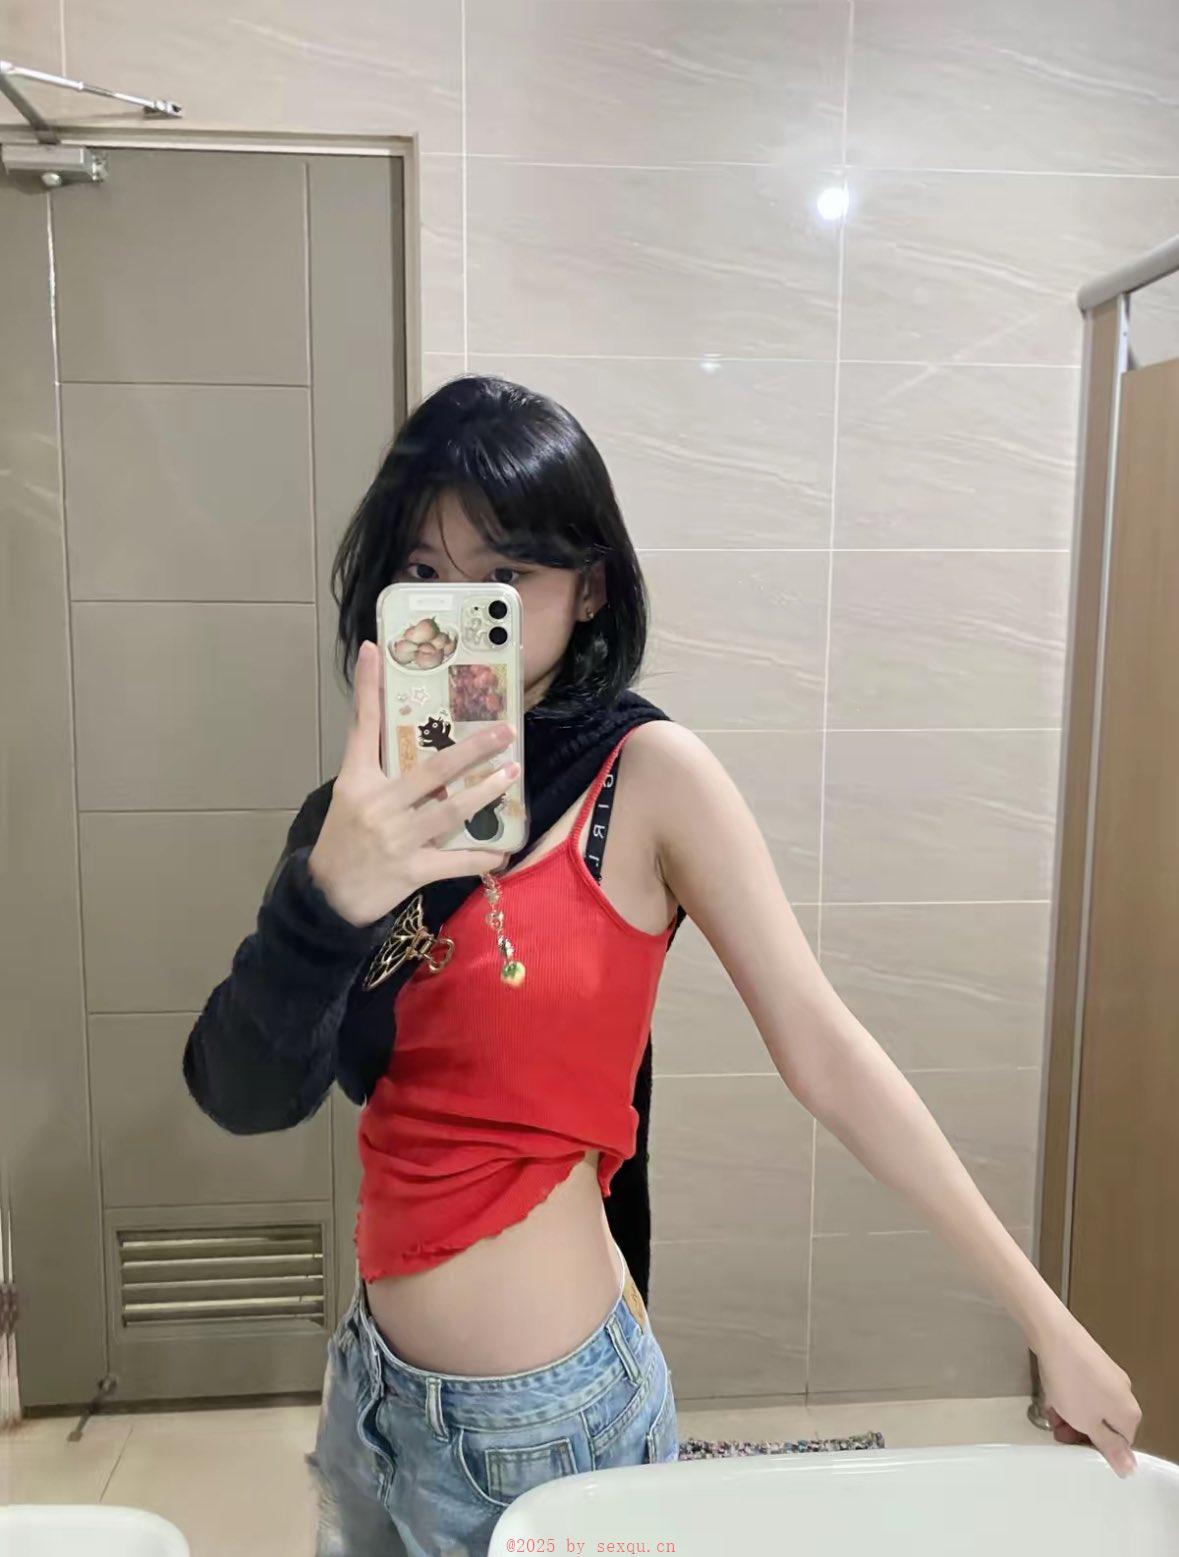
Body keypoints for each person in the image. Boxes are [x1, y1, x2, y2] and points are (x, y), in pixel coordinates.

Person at [184, 376, 1141, 1557]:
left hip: (542, 1425)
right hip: (370, 1392)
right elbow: (246, 1093)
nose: (456, 610)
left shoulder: (647, 779)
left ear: (588, 589)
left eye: (504, 575)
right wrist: (331, 889)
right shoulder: (360, 812)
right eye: (424, 571)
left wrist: (1046, 1321)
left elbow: (828, 1053)